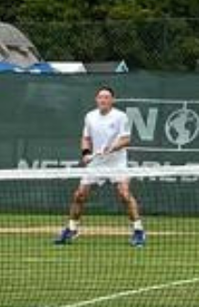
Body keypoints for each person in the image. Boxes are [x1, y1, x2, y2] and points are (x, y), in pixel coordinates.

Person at [59, 86, 145, 247]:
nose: (103, 100)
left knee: (124, 195)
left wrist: (112, 147)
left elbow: (126, 139)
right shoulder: (90, 117)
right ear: (96, 99)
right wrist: (85, 153)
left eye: (106, 97)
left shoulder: (121, 117)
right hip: (96, 163)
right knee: (79, 195)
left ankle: (138, 231)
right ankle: (71, 229)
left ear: (112, 100)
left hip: (117, 162)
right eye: (100, 97)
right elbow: (85, 138)